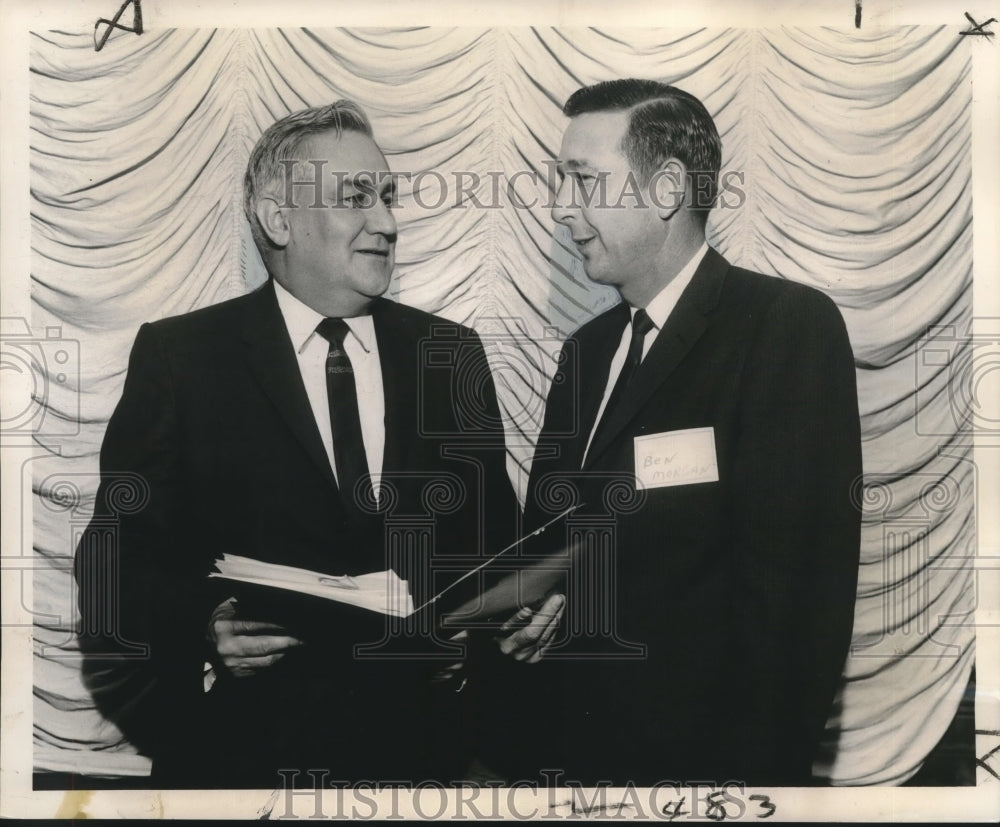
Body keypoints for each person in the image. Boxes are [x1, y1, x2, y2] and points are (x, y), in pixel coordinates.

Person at [74, 100, 534, 788]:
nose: (387, 222)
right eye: (356, 198)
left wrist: (497, 619)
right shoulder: (183, 357)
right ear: (276, 218)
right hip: (242, 758)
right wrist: (206, 624)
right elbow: (113, 559)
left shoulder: (450, 354)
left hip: (421, 762)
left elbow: (495, 547)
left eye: (387, 197)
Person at [483, 79, 863, 787]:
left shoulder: (784, 327)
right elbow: (561, 548)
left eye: (582, 182)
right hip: (571, 764)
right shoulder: (587, 351)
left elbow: (798, 603)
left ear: (665, 190)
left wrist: (748, 795)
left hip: (706, 777)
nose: (561, 208)